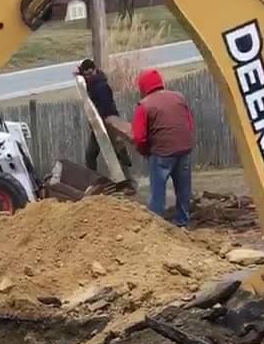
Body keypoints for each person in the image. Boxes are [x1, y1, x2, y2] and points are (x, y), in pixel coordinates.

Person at [132, 68, 194, 227]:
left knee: (157, 193)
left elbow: (138, 136)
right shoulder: (179, 97)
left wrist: (145, 151)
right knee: (183, 190)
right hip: (184, 149)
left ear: (143, 87)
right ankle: (182, 223)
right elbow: (189, 123)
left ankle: (157, 227)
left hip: (162, 153)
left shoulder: (144, 105)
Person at [76, 57, 132, 176]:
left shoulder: (101, 85)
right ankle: (94, 181)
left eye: (90, 74)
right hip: (99, 124)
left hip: (108, 122)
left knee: (116, 154)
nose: (88, 77)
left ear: (95, 70)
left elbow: (107, 107)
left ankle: (128, 182)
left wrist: (103, 123)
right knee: (91, 155)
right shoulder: (91, 83)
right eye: (86, 75)